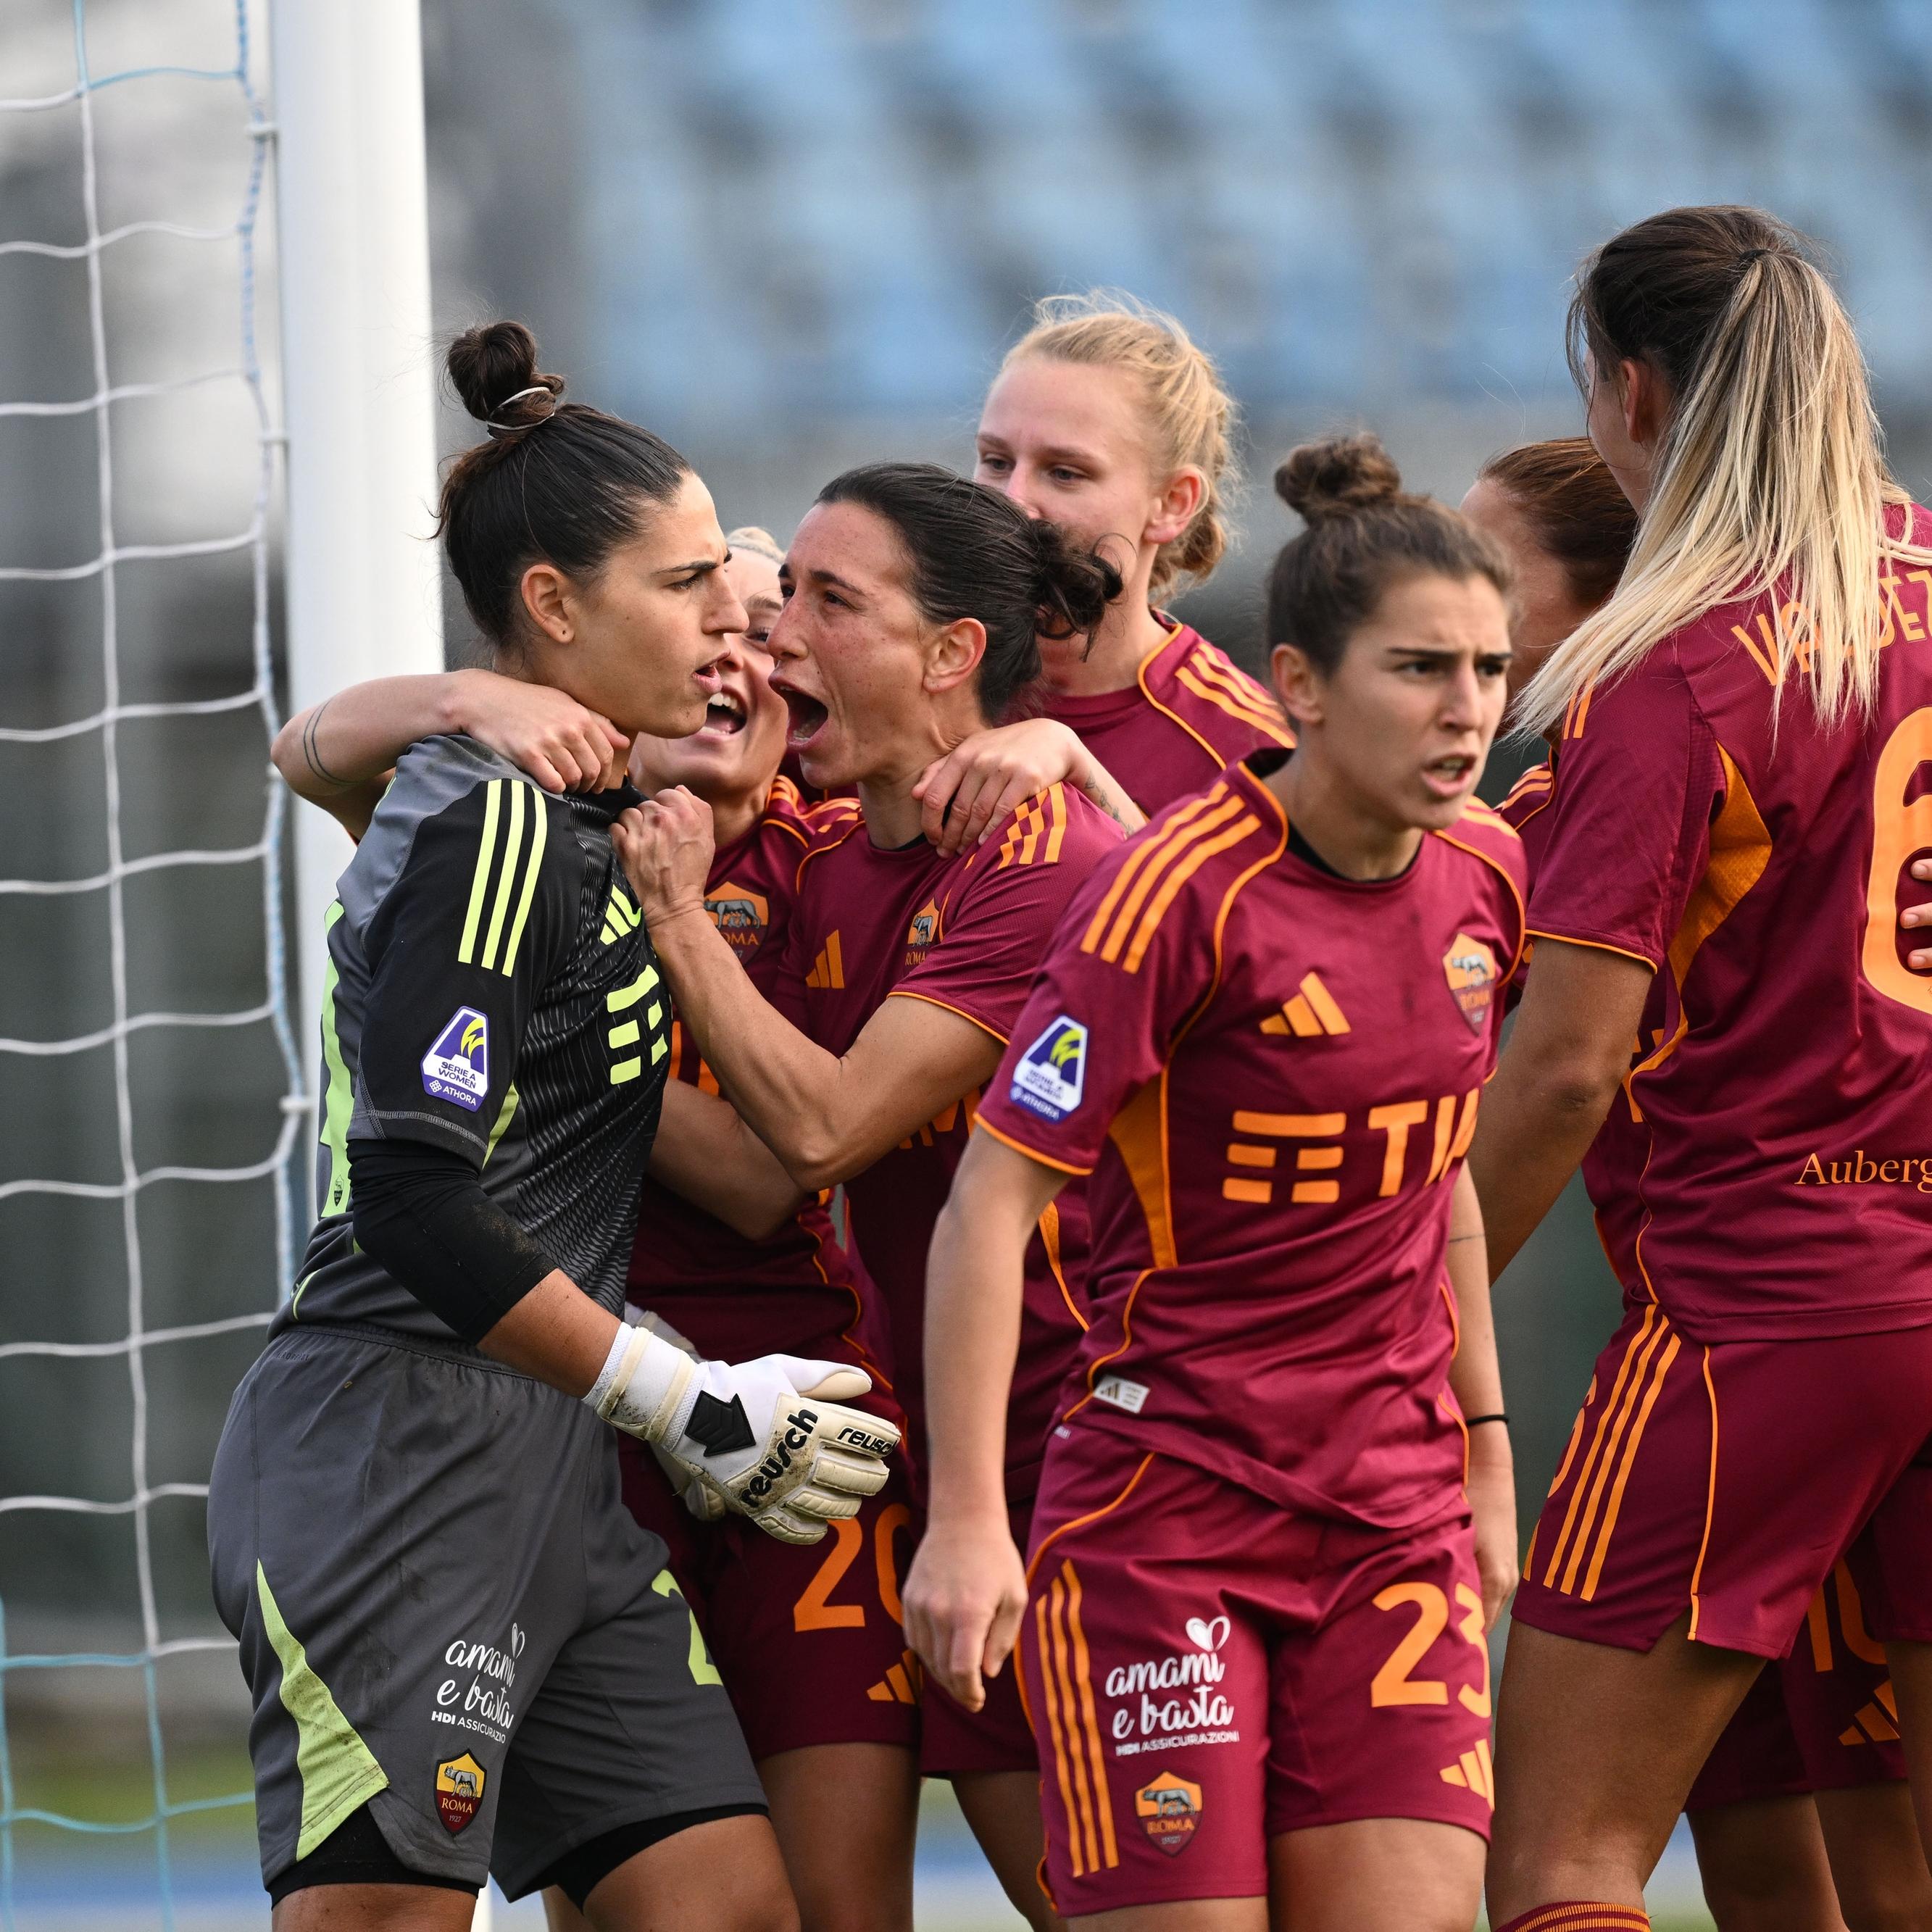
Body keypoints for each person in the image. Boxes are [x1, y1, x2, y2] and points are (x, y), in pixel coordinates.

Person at [208, 322, 897, 1931]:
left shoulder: (585, 834)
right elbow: (413, 1205)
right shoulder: (492, 818)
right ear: (553, 607)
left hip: (549, 1462)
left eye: (737, 608)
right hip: (396, 1445)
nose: (728, 641)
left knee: (725, 1905)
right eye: (685, 597)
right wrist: (688, 1399)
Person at [905, 435, 1525, 1931]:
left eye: (1491, 670)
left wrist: (1487, 1449)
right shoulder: (1171, 896)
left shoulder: (1490, 876)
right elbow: (990, 1199)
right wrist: (970, 1517)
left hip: (1392, 1516)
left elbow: (1437, 1169)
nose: (1466, 713)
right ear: (1301, 686)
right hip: (1163, 1508)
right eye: (1421, 669)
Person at [1462, 207, 1932, 1932]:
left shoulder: (1674, 665)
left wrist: (1409, 1303)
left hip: (1761, 1316)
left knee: (1556, 1859)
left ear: (1637, 392)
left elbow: (1565, 1065)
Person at [614, 462, 1131, 1929]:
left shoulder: (1035, 849)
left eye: (827, 605)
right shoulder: (836, 849)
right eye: (785, 606)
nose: (778, 640)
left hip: (1103, 1445)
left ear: (953, 652)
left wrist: (655, 945)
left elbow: (819, 1140)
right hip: (955, 1439)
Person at [911, 292, 1291, 856]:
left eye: (1065, 473)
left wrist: (1079, 770)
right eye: (995, 461)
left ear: (1172, 503)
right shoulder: (901, 679)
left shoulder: (1251, 749)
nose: (1015, 501)